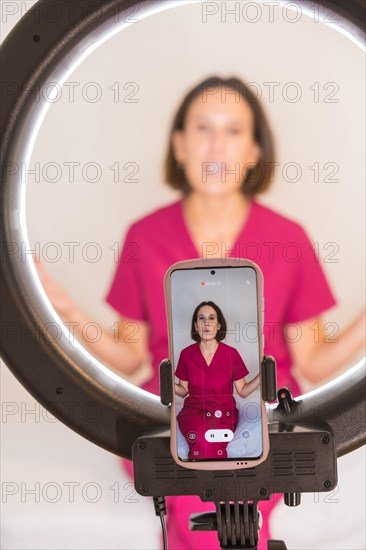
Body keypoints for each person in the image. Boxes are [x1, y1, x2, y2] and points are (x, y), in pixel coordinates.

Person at [34, 75, 366, 550]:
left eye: (233, 131)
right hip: (169, 421)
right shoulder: (144, 236)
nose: (216, 146)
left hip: (261, 423)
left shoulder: (288, 238)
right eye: (202, 128)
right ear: (179, 145)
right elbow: (128, 358)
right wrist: (57, 302)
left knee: (232, 490)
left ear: (253, 151)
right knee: (198, 490)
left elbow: (313, 361)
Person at [174, 301, 260, 459]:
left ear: (219, 325)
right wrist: (166, 381)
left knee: (209, 441)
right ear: (195, 326)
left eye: (211, 318)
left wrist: (262, 375)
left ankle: (207, 478)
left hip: (223, 412)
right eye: (201, 318)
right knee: (202, 440)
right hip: (194, 411)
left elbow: (243, 391)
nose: (206, 322)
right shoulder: (186, 354)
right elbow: (182, 391)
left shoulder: (231, 354)